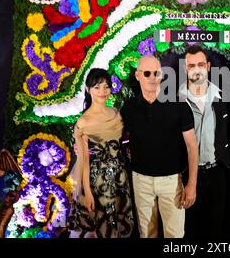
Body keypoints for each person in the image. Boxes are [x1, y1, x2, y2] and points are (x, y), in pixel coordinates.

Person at [120, 55, 199, 238]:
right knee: (146, 234)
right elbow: (113, 134)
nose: (152, 78)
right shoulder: (129, 108)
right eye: (147, 73)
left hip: (172, 182)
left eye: (156, 73)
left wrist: (192, 184)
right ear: (138, 75)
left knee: (175, 235)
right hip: (141, 181)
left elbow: (192, 146)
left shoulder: (179, 105)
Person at [68, 68, 134, 238]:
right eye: (97, 87)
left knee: (122, 224)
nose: (102, 92)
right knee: (106, 227)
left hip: (121, 177)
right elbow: (83, 160)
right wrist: (88, 192)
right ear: (88, 89)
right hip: (98, 182)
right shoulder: (83, 122)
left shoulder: (117, 114)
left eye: (106, 87)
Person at [178, 45, 230, 238]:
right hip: (185, 174)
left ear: (208, 66)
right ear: (185, 68)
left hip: (217, 172)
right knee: (189, 230)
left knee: (216, 229)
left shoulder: (222, 97)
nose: (197, 69)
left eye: (201, 64)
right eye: (191, 65)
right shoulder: (176, 100)